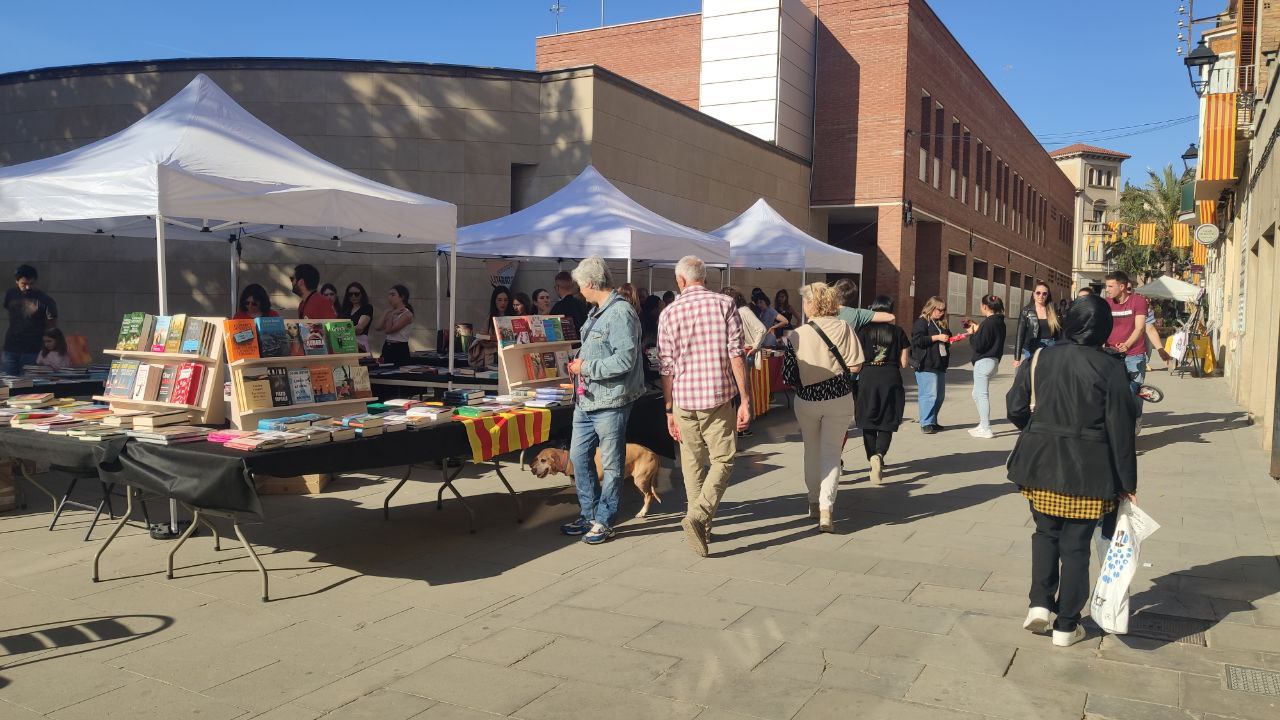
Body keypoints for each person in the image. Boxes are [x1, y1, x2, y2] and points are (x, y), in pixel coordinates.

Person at [1006, 294, 1137, 648]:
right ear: (1105, 327)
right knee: (1076, 546)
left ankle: (1038, 603)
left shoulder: (1041, 357)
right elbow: (1121, 429)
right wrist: (1127, 481)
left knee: (1045, 533)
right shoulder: (1111, 367)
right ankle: (1066, 624)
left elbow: (1015, 407)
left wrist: (1040, 429)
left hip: (1041, 463)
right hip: (1088, 472)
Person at [658, 255, 750, 557]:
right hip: (716, 395)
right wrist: (745, 398)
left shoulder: (669, 313)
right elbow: (737, 354)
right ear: (705, 278)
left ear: (681, 281)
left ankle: (700, 522)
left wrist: (669, 408)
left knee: (692, 462)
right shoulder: (725, 305)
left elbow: (666, 366)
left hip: (684, 397)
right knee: (723, 459)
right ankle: (699, 516)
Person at [560, 257, 646, 545]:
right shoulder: (597, 311)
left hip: (610, 400)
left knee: (611, 464)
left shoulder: (620, 312)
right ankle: (589, 513)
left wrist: (585, 367)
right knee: (578, 456)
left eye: (580, 285)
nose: (580, 291)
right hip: (587, 399)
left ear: (590, 284)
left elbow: (625, 359)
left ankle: (604, 519)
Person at [781, 283, 864, 531]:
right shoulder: (844, 328)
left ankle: (812, 501)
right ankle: (826, 507)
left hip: (807, 400)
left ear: (810, 304)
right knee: (831, 453)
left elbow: (788, 375)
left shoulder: (796, 334)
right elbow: (856, 366)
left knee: (811, 450)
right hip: (839, 396)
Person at [856, 296, 910, 484]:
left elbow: (857, 359)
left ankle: (872, 457)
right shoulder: (899, 332)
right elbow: (904, 363)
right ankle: (880, 454)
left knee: (867, 419)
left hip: (868, 377)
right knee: (887, 419)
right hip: (890, 377)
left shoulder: (863, 331)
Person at [1103, 270, 1150, 426]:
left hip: (1134, 354)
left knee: (1134, 391)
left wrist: (1127, 345)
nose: (1107, 289)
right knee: (1111, 390)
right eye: (1106, 286)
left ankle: (1136, 418)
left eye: (1110, 286)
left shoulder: (1138, 301)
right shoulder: (1106, 303)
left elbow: (1140, 328)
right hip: (1110, 354)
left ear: (1122, 286)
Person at [964, 295, 1007, 439]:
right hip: (993, 361)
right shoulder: (999, 322)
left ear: (985, 307)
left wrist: (971, 334)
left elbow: (979, 345)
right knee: (976, 394)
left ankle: (986, 428)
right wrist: (978, 329)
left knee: (981, 395)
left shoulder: (988, 323)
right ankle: (983, 424)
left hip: (984, 362)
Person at [3, 265, 58, 376]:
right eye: (24, 284)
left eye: (31, 284)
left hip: (33, 350)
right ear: (17, 281)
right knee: (7, 386)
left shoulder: (45, 300)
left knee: (28, 388)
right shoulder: (11, 294)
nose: (28, 287)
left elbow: (51, 326)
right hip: (10, 348)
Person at [910, 296, 951, 434]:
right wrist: (936, 338)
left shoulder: (941, 323)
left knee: (939, 396)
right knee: (929, 395)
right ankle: (926, 422)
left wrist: (952, 338)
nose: (942, 312)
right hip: (926, 363)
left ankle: (932, 421)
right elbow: (918, 340)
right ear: (931, 308)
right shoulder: (922, 322)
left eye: (943, 310)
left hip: (940, 363)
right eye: (939, 310)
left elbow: (947, 337)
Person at [1013, 282, 1062, 367]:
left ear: (1048, 295)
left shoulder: (1054, 310)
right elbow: (1020, 335)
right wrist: (1017, 358)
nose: (1041, 296)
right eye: (1038, 293)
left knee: (1048, 376)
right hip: (1032, 347)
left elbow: (1061, 332)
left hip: (1050, 347)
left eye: (1044, 293)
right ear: (1033, 294)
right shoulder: (1026, 311)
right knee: (1031, 376)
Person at [376, 285, 414, 365]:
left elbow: (389, 330)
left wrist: (392, 315)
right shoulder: (390, 312)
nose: (389, 298)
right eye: (389, 295)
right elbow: (378, 327)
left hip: (399, 348)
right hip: (387, 346)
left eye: (393, 295)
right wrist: (386, 312)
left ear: (402, 297)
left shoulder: (407, 314)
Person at [340, 282, 374, 353]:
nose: (353, 296)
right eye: (350, 294)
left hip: (360, 345)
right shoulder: (345, 309)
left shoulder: (367, 307)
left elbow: (360, 328)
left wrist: (339, 330)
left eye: (356, 294)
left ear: (362, 294)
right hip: (344, 345)